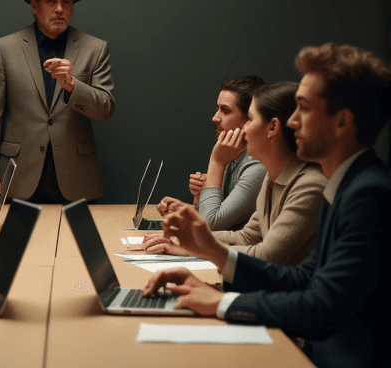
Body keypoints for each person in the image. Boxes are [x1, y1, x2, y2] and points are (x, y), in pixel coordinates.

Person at [143, 43, 391, 368]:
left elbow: (319, 309)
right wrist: (211, 260)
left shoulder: (366, 193)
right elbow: (304, 278)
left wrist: (223, 303)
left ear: (341, 123)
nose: (292, 122)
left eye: (303, 108)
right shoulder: (347, 182)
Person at [142, 82, 326, 265]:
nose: (244, 129)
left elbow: (266, 255)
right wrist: (184, 240)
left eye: (251, 120)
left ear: (272, 128)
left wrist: (190, 247)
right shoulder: (272, 178)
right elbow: (246, 237)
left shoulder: (310, 185)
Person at [0, 0, 115, 203]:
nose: (60, 9)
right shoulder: (5, 48)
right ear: (34, 6)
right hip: (20, 176)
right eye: (51, 1)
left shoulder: (95, 48)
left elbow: (105, 109)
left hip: (77, 178)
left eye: (66, 2)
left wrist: (73, 85)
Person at [190, 76, 267, 230]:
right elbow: (212, 217)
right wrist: (198, 200)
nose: (214, 118)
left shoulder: (258, 166)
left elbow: (211, 225)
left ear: (249, 118)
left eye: (225, 110)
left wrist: (216, 163)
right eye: (217, 109)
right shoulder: (233, 155)